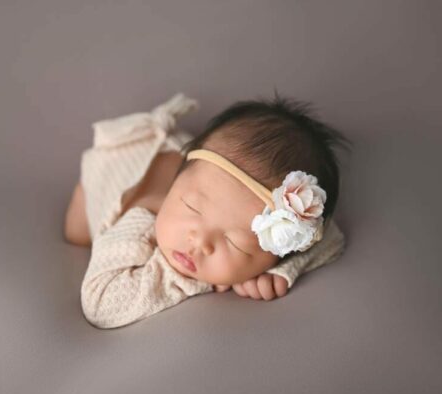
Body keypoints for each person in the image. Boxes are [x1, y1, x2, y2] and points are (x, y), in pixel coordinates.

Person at [64, 92, 351, 329]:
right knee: (78, 233)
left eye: (234, 242)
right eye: (191, 208)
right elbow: (101, 305)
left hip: (194, 168)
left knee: (208, 185)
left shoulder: (204, 189)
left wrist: (284, 269)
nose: (199, 242)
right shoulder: (139, 219)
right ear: (178, 181)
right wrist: (197, 281)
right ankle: (89, 190)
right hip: (112, 167)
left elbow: (331, 237)